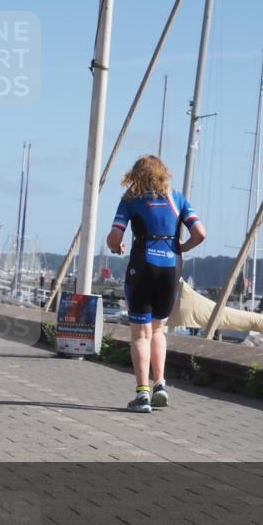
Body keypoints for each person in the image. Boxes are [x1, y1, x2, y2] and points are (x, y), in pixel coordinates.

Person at [105, 155, 205, 413]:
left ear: (135, 174)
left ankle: (143, 395)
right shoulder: (178, 198)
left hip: (143, 266)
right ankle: (160, 383)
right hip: (171, 268)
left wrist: (117, 247)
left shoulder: (131, 198)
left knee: (140, 333)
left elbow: (114, 237)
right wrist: (181, 247)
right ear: (163, 173)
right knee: (159, 330)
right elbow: (200, 233)